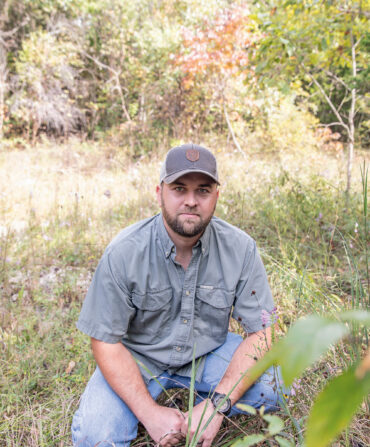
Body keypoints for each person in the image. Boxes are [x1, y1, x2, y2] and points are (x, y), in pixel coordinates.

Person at [72, 144, 286, 447]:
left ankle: (201, 404)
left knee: (275, 386)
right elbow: (105, 341)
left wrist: (217, 406)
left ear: (216, 197)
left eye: (203, 190)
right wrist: (150, 414)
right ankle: (151, 409)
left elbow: (262, 332)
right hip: (138, 359)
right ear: (159, 193)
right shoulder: (124, 252)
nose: (191, 201)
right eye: (179, 188)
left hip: (207, 351)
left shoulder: (240, 248)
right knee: (95, 438)